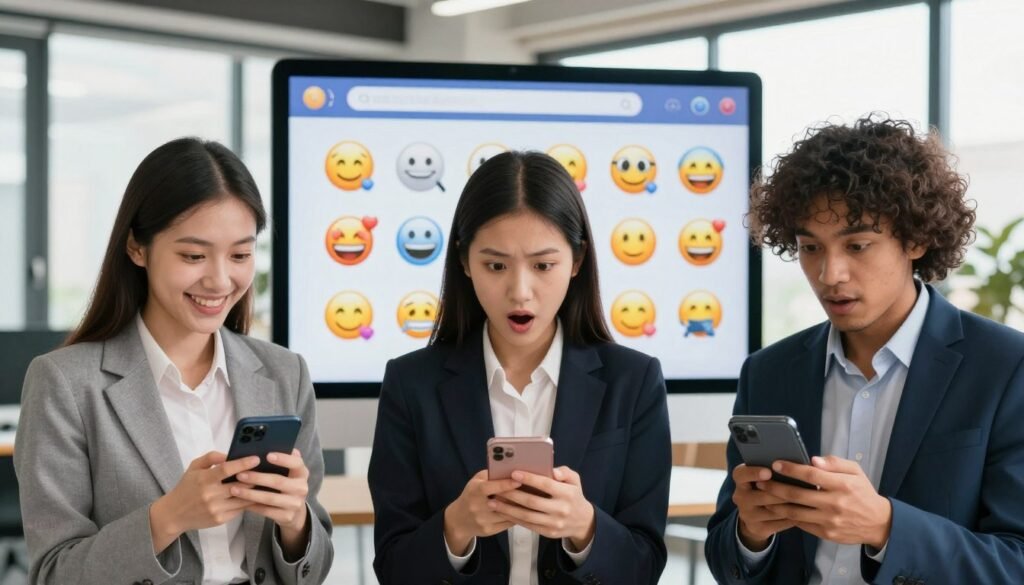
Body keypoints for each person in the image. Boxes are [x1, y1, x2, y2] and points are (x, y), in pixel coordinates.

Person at [705, 116, 1024, 584]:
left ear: (915, 239)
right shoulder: (768, 372)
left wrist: (885, 527)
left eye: (857, 245)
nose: (829, 274)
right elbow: (726, 560)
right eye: (810, 247)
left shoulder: (1006, 367)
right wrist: (752, 534)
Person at [14, 138, 334, 585]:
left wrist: (296, 522)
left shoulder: (284, 373)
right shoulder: (65, 383)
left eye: (240, 255)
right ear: (137, 248)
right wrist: (166, 518)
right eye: (193, 255)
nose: (220, 280)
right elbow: (53, 573)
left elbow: (312, 569)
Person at [368, 151, 672, 584]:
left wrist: (585, 528)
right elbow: (394, 570)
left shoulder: (634, 381)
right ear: (463, 262)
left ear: (577, 261)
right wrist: (456, 527)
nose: (520, 292)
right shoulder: (411, 384)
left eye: (544, 265)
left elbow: (645, 568)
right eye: (495, 265)